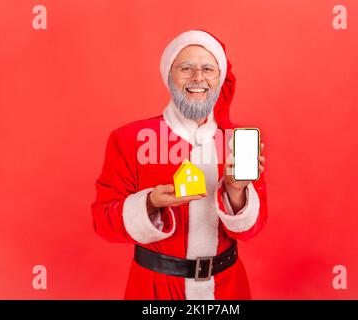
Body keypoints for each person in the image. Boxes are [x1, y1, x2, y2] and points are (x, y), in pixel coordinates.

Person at [91, 30, 268, 300]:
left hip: (227, 289)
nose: (198, 78)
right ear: (169, 76)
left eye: (208, 68)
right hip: (154, 291)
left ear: (219, 79)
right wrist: (150, 202)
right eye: (186, 68)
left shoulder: (238, 141)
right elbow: (103, 223)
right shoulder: (128, 139)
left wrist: (235, 190)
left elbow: (252, 229)